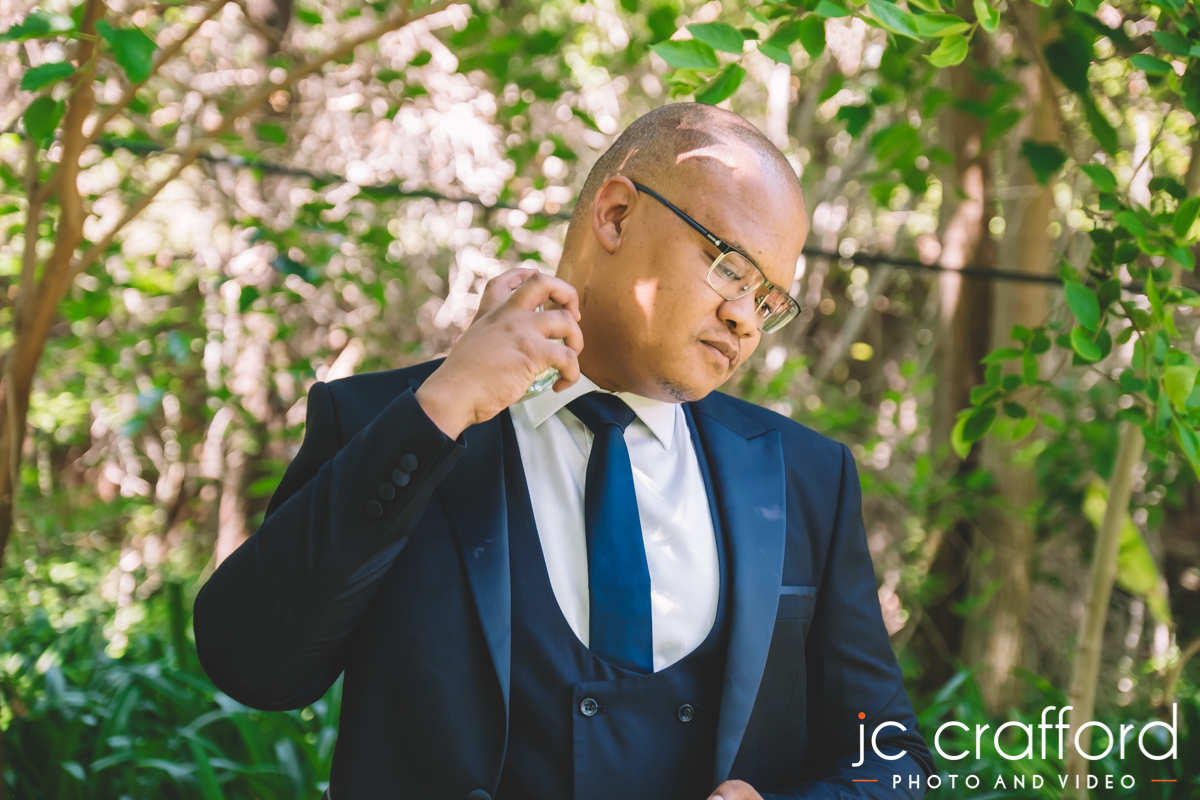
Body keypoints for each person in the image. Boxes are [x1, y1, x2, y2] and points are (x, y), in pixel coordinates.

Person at [193, 103, 935, 800]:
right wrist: (441, 409)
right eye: (731, 267)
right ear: (615, 215)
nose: (744, 318)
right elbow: (252, 663)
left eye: (768, 299)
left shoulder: (805, 478)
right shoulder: (381, 423)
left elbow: (895, 757)